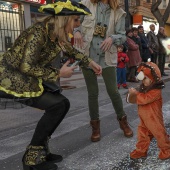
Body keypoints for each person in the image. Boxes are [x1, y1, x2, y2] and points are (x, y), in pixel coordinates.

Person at [0, 1, 102, 170]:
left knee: (61, 104)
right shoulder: (38, 32)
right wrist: (58, 74)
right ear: (65, 19)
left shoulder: (56, 35)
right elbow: (26, 66)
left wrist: (90, 63)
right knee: (57, 105)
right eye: (76, 20)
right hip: (10, 79)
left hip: (25, 78)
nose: (78, 24)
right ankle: (32, 159)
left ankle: (40, 151)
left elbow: (72, 51)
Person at [74, 0, 133, 142]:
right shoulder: (86, 4)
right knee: (93, 93)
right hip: (87, 55)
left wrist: (113, 38)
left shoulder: (119, 12)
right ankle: (95, 127)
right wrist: (76, 31)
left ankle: (123, 121)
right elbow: (74, 22)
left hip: (106, 57)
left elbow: (122, 35)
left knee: (113, 91)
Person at [127, 62, 170, 160]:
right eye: (143, 79)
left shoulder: (156, 91)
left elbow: (144, 99)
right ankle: (141, 151)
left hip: (154, 118)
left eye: (145, 79)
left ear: (153, 79)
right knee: (142, 135)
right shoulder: (144, 88)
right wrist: (132, 95)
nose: (143, 81)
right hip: (144, 118)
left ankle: (166, 149)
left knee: (159, 134)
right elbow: (136, 99)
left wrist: (135, 94)